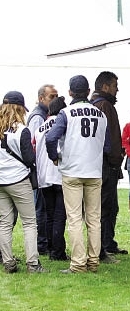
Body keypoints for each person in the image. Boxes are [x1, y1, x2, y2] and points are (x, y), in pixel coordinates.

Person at [46, 75, 109, 273]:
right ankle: (93, 261)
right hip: (94, 171)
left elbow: (51, 138)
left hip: (72, 170)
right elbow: (104, 144)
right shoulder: (101, 115)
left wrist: (55, 157)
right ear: (89, 92)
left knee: (74, 219)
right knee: (94, 219)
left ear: (70, 92)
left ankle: (78, 263)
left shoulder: (66, 113)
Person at [0, 91, 48, 273]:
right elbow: (29, 158)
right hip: (19, 180)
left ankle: (8, 262)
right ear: (20, 108)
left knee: (4, 223)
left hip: (1, 181)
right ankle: (33, 264)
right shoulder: (22, 130)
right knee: (29, 222)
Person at [90, 71, 127, 263]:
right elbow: (109, 137)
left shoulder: (98, 105)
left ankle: (108, 243)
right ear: (105, 87)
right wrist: (115, 158)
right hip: (107, 164)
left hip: (104, 163)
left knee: (110, 206)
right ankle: (104, 246)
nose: (117, 89)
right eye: (114, 85)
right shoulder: (104, 105)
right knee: (106, 206)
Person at [33, 96, 68, 261]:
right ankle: (58, 252)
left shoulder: (40, 127)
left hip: (43, 177)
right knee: (60, 215)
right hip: (58, 174)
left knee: (49, 215)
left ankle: (50, 247)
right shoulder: (62, 124)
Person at [27, 84, 58, 256]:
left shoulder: (44, 116)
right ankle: (42, 243)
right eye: (51, 97)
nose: (55, 99)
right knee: (41, 208)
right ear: (41, 98)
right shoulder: (38, 118)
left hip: (43, 171)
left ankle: (45, 242)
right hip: (41, 171)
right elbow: (32, 145)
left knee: (45, 208)